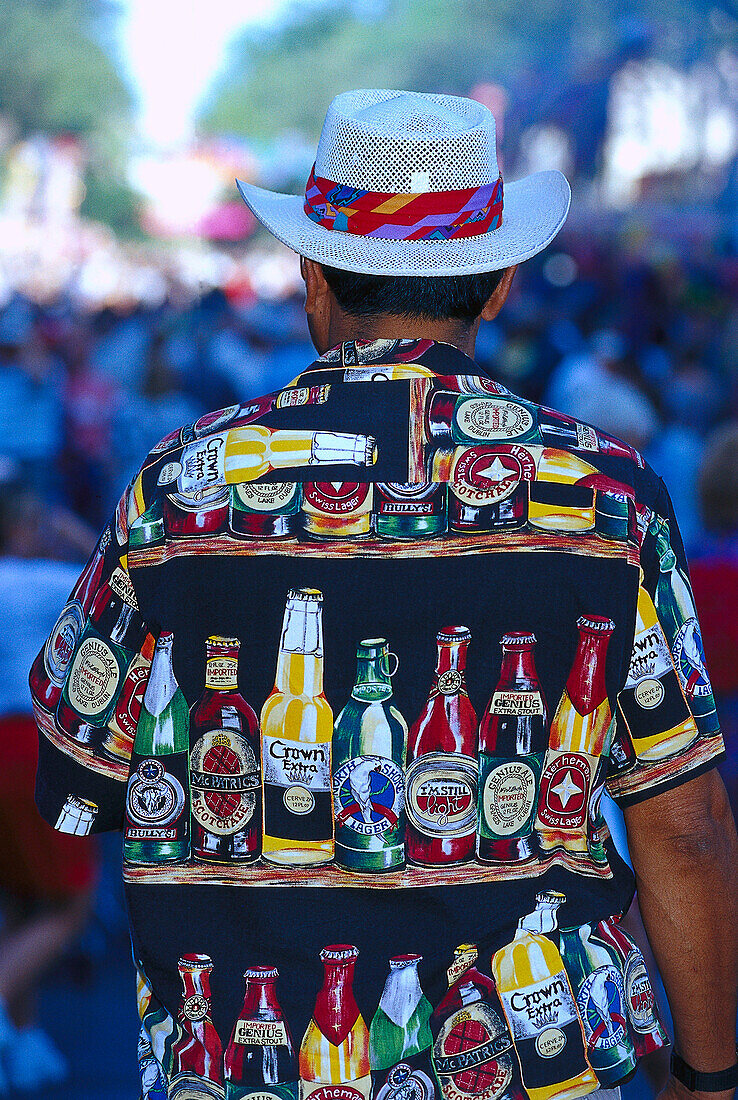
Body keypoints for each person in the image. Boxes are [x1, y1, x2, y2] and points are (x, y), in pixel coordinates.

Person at [31, 90, 736, 1100]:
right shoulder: (607, 494)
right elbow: (685, 823)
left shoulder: (177, 487)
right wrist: (710, 1075)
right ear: (495, 290)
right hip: (530, 1068)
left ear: (309, 276)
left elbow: (77, 771)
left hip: (246, 1065)